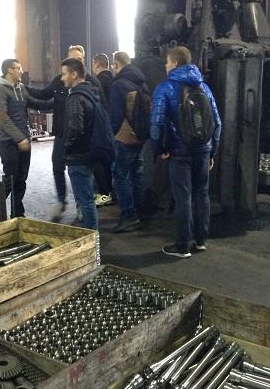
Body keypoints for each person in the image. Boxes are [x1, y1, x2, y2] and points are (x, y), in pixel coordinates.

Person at [150, 46, 222, 258]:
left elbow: (156, 123)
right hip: (203, 151)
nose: (165, 65)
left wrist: (158, 149)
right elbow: (217, 123)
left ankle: (182, 246)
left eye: (167, 62)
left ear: (175, 64)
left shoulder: (165, 88)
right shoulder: (204, 87)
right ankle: (200, 241)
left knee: (183, 197)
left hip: (179, 152)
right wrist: (212, 152)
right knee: (202, 194)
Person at [26, 45, 105, 222]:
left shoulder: (91, 83)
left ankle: (82, 207)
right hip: (63, 134)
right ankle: (62, 200)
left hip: (84, 139)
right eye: (72, 58)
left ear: (82, 61)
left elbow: (101, 109)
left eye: (78, 58)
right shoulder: (60, 82)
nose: (75, 61)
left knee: (81, 174)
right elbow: (45, 95)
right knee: (58, 166)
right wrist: (25, 91)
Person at [0, 58, 53, 217]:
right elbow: (3, 118)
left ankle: (17, 213)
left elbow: (35, 103)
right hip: (8, 141)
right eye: (18, 68)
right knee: (11, 177)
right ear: (9, 70)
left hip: (24, 140)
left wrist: (57, 102)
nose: (21, 71)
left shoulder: (21, 88)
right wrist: (19, 138)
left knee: (21, 178)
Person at [109, 51, 148, 233]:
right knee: (136, 173)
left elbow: (116, 115)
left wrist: (112, 134)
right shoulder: (141, 81)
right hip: (141, 135)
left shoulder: (118, 85)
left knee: (120, 174)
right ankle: (139, 210)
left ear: (116, 64)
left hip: (125, 136)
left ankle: (129, 215)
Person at [60, 57, 98, 230]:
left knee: (85, 200)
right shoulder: (90, 93)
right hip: (89, 152)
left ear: (74, 74)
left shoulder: (75, 97)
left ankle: (92, 238)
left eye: (64, 74)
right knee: (87, 198)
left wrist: (66, 148)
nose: (62, 78)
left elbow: (75, 128)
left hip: (78, 156)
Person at [91, 52, 115, 207]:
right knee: (109, 162)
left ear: (97, 64)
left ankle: (104, 193)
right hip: (113, 126)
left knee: (99, 162)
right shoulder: (114, 80)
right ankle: (109, 192)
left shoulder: (97, 82)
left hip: (100, 128)